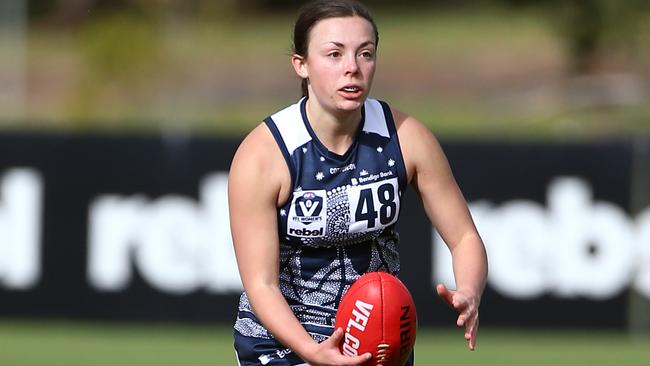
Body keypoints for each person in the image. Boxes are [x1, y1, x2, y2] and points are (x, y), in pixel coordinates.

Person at [228, 1, 488, 365]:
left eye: (365, 53)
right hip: (282, 345)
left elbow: (465, 238)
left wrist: (470, 292)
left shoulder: (405, 137)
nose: (352, 67)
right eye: (334, 54)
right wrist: (312, 352)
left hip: (376, 341)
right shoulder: (263, 156)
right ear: (300, 65)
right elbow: (261, 285)